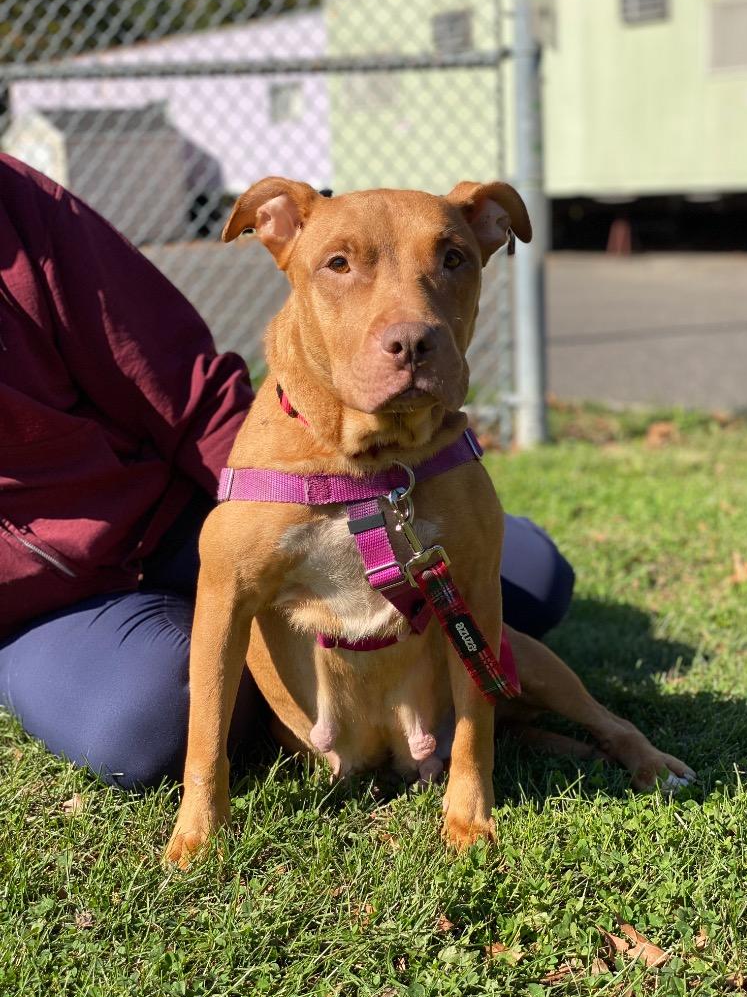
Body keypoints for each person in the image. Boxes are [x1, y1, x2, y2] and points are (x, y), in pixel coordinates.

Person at [0, 155, 574, 789]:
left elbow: (173, 376)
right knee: (145, 723)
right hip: (37, 601)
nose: (410, 319)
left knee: (534, 578)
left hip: (164, 507)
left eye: (447, 262)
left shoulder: (16, 202)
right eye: (342, 266)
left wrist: (313, 480)